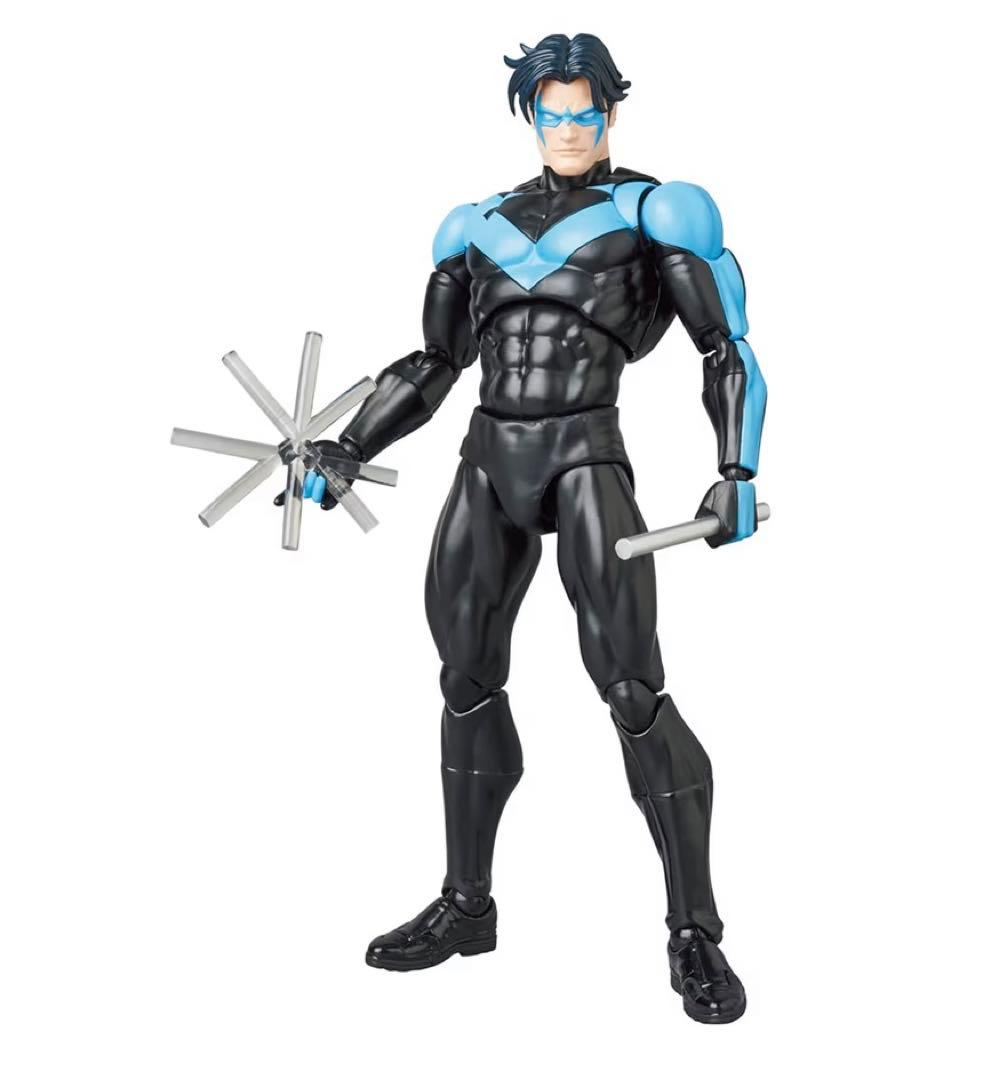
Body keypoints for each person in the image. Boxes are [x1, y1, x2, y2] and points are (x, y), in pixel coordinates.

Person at [286, 32, 766, 1024]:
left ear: (609, 112)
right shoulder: (476, 225)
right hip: (488, 459)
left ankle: (694, 932)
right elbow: (433, 364)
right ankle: (467, 906)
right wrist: (345, 446)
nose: (567, 129)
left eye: (583, 113)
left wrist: (735, 475)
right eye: (551, 113)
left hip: (586, 454)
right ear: (530, 115)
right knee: (464, 679)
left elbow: (726, 349)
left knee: (631, 690)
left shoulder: (655, 211)